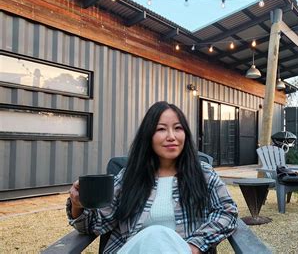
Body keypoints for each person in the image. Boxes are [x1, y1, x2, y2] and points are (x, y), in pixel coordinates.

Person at [67, 101, 238, 253]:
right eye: (161, 129)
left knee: (160, 235)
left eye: (178, 128)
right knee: (155, 234)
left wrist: (194, 246)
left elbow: (227, 212)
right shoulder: (129, 176)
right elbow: (94, 225)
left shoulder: (203, 173)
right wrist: (77, 205)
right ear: (148, 136)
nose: (171, 136)